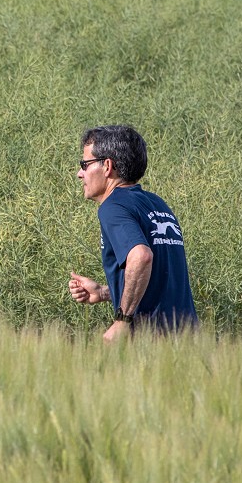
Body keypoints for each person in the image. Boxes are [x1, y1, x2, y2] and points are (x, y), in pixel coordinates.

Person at [67, 125, 197, 341]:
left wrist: (122, 320)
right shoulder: (158, 205)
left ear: (107, 166)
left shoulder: (112, 207)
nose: (79, 173)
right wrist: (103, 292)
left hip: (150, 342)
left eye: (84, 164)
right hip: (188, 339)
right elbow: (156, 280)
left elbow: (141, 257)